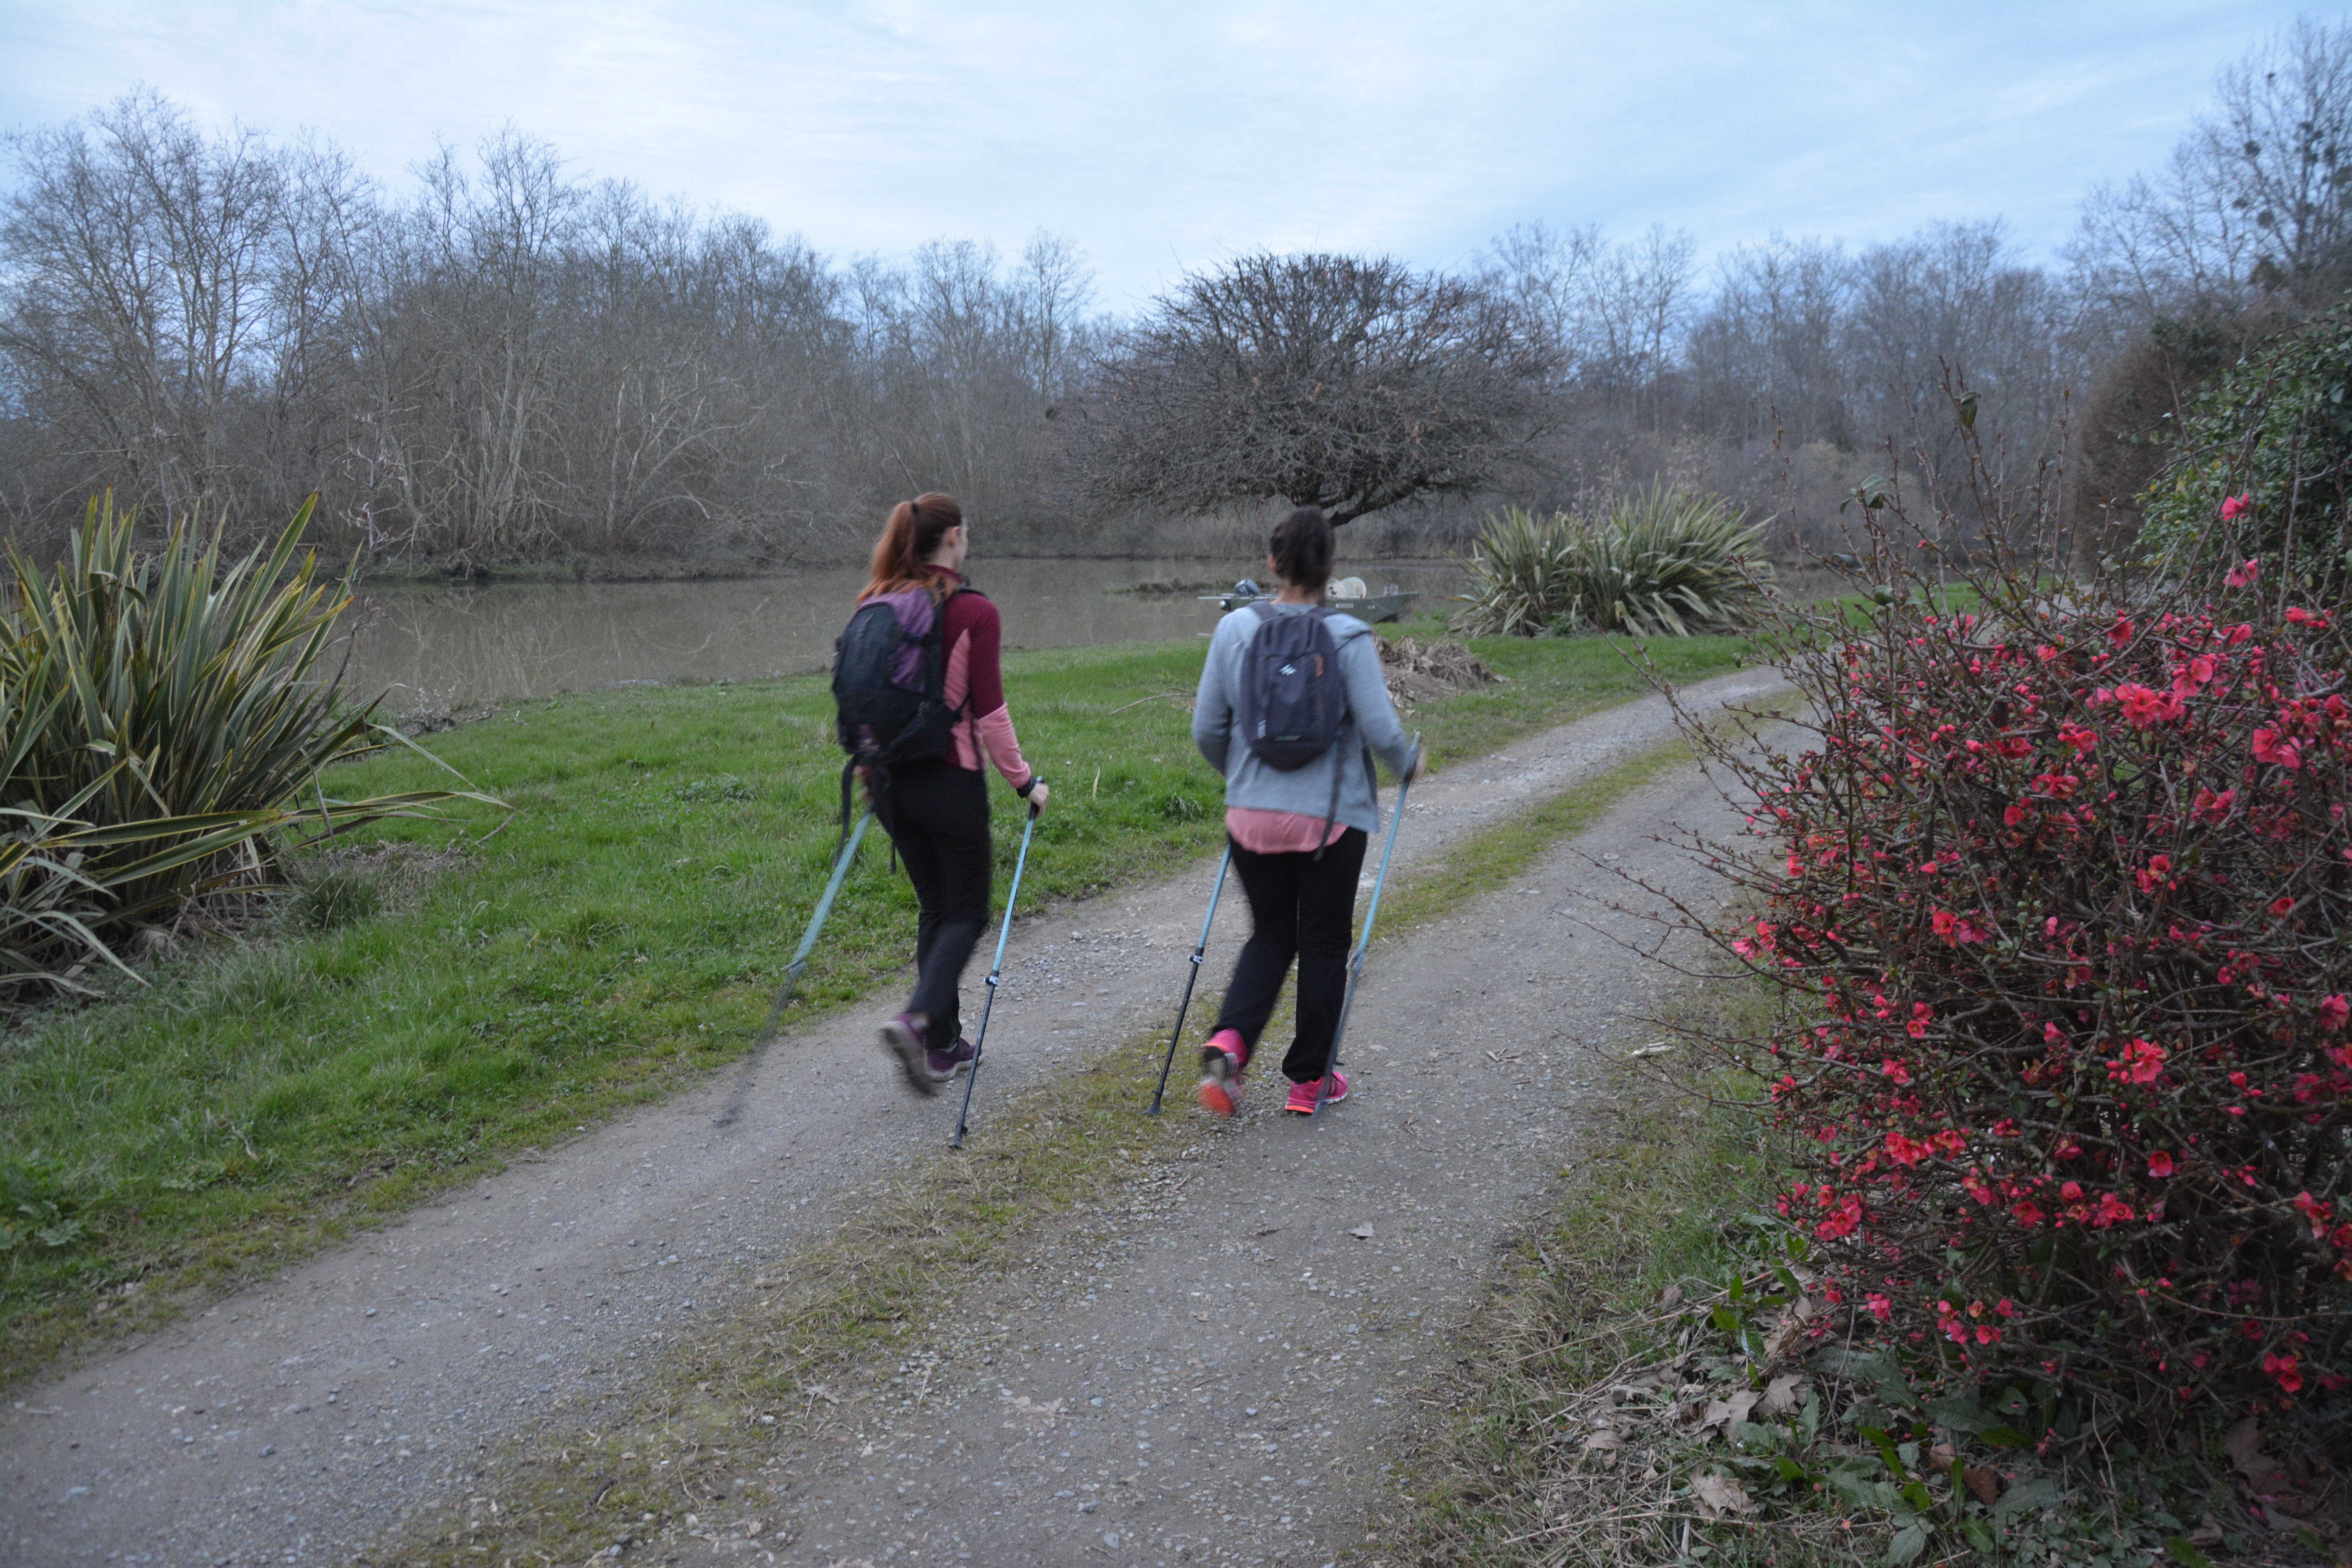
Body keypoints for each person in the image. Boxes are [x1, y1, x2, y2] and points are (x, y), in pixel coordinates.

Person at [1190, 506, 1423, 1116]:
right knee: (1321, 944)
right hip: (1328, 824)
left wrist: (1241, 781)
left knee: (1270, 936)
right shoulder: (1347, 637)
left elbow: (1207, 728)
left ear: (1272, 564)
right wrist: (1409, 764)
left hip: (1250, 817)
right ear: (1331, 570)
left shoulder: (1234, 631)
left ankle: (1230, 1040)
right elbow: (1380, 730)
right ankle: (1310, 1081)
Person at [858, 494, 1050, 1094]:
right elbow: (990, 714)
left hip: (888, 783)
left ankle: (941, 1044)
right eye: (965, 535)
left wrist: (869, 771)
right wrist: (1025, 781)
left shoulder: (876, 603)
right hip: (948, 780)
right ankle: (918, 1022)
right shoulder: (974, 612)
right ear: (953, 539)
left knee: (937, 909)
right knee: (966, 911)